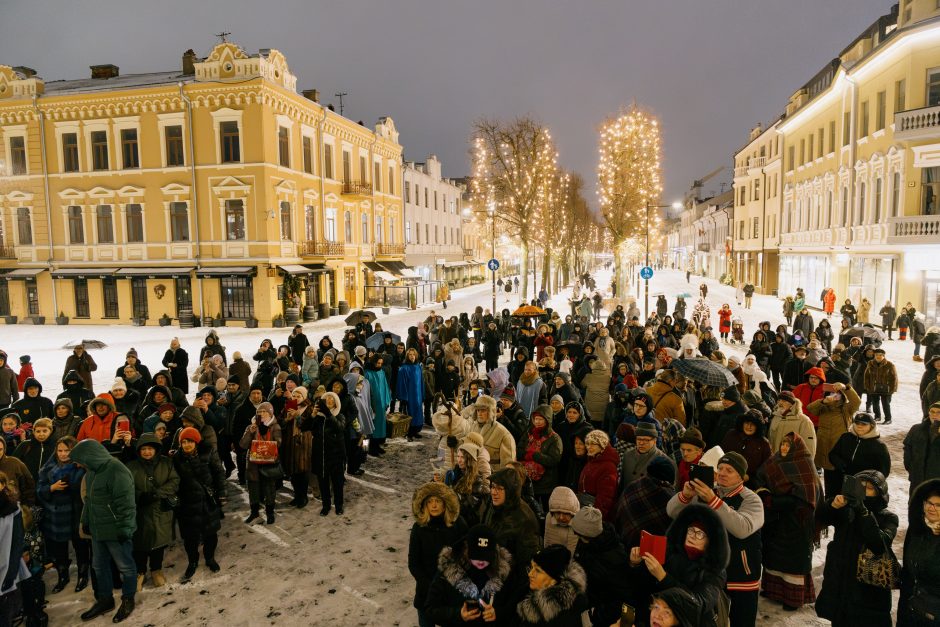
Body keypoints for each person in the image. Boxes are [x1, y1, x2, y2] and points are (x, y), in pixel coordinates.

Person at [668, 451, 764, 627]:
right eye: (719, 468)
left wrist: (714, 501)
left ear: (741, 476)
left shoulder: (752, 499)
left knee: (742, 622)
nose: (722, 473)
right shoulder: (706, 493)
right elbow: (672, 512)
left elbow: (743, 529)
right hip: (710, 572)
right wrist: (686, 495)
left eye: (729, 470)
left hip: (741, 574)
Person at [815, 470, 898, 627]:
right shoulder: (846, 510)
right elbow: (821, 518)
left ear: (880, 492)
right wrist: (832, 506)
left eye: (869, 488)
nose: (863, 491)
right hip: (841, 578)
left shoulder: (888, 517)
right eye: (860, 486)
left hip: (867, 586)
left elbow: (880, 543)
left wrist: (863, 513)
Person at [69, 438, 137, 623]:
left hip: (116, 530)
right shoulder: (91, 472)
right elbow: (90, 501)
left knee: (125, 566)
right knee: (99, 566)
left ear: (89, 456)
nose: (77, 464)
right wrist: (85, 521)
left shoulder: (117, 470)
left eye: (79, 460)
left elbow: (127, 504)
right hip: (98, 531)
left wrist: (125, 528)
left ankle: (128, 598)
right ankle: (105, 599)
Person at [628, 502, 729, 626]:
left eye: (700, 534)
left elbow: (698, 604)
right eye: (691, 530)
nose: (693, 536)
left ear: (710, 541)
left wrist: (664, 578)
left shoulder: (715, 569)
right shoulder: (670, 553)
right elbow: (643, 588)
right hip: (655, 620)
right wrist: (635, 564)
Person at [755, 433, 819, 611]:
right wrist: (764, 492)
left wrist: (773, 501)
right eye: (782, 444)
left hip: (797, 522)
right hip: (776, 520)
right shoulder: (774, 460)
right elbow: (761, 476)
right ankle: (774, 591)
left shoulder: (804, 464)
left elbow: (806, 498)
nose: (783, 448)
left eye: (788, 446)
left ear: (796, 448)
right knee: (774, 555)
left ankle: (792, 597)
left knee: (792, 561)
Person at [423, 525, 513, 626]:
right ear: (466, 549)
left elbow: (513, 609)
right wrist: (458, 614)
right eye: (476, 555)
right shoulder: (448, 570)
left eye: (486, 556)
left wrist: (498, 614)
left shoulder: (504, 574)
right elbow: (430, 610)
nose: (481, 561)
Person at [408, 482, 468, 627]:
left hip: (452, 594)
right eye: (430, 502)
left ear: (445, 503)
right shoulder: (419, 528)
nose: (434, 505)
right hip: (426, 593)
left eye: (437, 501)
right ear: (424, 505)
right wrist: (430, 586)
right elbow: (414, 563)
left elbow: (466, 558)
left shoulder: (458, 524)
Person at [126, 433, 179, 591]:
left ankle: (156, 570)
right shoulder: (131, 466)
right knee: (140, 544)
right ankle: (139, 572)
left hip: (160, 510)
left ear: (156, 449)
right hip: (139, 511)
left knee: (158, 543)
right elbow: (125, 487)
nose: (147, 452)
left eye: (150, 449)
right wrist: (140, 496)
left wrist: (157, 494)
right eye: (144, 449)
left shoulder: (166, 463)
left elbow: (175, 481)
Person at [37, 435, 90, 593]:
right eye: (60, 450)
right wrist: (51, 488)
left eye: (67, 450)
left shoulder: (81, 466)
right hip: (55, 514)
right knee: (59, 547)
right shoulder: (47, 467)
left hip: (75, 511)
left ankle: (82, 574)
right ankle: (62, 575)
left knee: (80, 544)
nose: (63, 454)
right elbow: (39, 489)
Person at [173, 426, 225, 583]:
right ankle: (193, 561)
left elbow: (218, 472)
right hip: (187, 504)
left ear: (196, 442)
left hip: (207, 501)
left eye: (190, 441)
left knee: (210, 533)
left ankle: (210, 558)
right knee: (190, 537)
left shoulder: (208, 452)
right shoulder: (176, 458)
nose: (187, 445)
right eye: (184, 442)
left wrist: (221, 493)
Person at [898, 478, 940, 627]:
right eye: (929, 503)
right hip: (915, 611)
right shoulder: (918, 531)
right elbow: (909, 574)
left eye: (938, 505)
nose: (932, 508)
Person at [514, 544, 589, 626]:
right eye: (531, 567)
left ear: (554, 580)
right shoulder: (528, 588)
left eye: (538, 571)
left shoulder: (561, 617)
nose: (530, 574)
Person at [809, 383, 861, 497]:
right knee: (829, 482)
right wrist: (822, 402)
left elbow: (857, 402)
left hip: (842, 451)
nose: (834, 397)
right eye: (831, 394)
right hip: (826, 449)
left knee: (843, 480)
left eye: (837, 394)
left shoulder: (847, 408)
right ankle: (830, 502)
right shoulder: (823, 408)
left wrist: (847, 388)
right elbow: (810, 408)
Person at [481, 467, 540, 566]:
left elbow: (526, 559)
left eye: (499, 488)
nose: (493, 492)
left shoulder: (524, 518)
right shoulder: (492, 506)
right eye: (493, 487)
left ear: (510, 490)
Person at [240, 401, 281, 524]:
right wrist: (250, 432)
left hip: (268, 464)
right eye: (259, 412)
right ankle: (254, 512)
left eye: (264, 411)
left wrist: (264, 437)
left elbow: (278, 444)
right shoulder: (251, 427)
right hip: (253, 464)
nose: (261, 414)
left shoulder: (275, 427)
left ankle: (270, 513)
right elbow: (243, 445)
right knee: (253, 488)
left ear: (270, 413)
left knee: (269, 489)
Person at [517, 405, 562, 510]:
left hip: (546, 483)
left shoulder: (555, 438)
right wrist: (527, 455)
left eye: (541, 419)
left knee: (547, 509)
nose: (537, 422)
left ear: (548, 420)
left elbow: (554, 460)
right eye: (536, 419)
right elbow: (518, 450)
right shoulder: (528, 434)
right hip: (528, 481)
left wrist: (535, 455)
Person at [312, 393, 346, 516]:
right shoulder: (319, 418)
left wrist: (328, 414)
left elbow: (339, 427)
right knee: (323, 483)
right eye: (326, 398)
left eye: (332, 399)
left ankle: (339, 505)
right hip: (321, 455)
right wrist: (313, 415)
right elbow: (307, 428)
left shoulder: (340, 415)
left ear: (336, 402)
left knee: (337, 483)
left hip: (336, 456)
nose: (329, 400)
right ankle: (325, 506)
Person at [578, 430, 619, 521]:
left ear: (602, 446)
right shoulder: (593, 460)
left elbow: (606, 497)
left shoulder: (608, 466)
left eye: (593, 444)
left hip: (594, 513)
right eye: (587, 444)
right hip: (585, 508)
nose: (589, 447)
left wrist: (596, 517)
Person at [470, 395, 515, 471]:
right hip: (473, 474)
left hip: (493, 476)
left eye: (483, 410)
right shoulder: (473, 427)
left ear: (491, 411)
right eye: (478, 410)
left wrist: (498, 481)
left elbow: (508, 466)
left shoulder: (503, 434)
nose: (479, 414)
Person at [904, 401, 940, 489]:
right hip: (917, 479)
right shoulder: (916, 429)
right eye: (932, 411)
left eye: (939, 412)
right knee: (915, 501)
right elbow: (907, 448)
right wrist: (911, 468)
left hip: (937, 482)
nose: (934, 414)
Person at [864, 348, 897, 424]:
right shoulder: (870, 363)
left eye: (880, 355)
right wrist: (867, 386)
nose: (878, 356)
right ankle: (877, 416)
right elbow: (866, 376)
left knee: (885, 404)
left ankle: (888, 419)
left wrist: (892, 389)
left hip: (886, 388)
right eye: (876, 355)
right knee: (875, 403)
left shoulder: (890, 364)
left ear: (883, 356)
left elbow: (894, 378)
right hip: (873, 387)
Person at [543, 486, 580, 553]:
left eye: (566, 513)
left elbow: (573, 551)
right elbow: (548, 542)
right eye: (558, 512)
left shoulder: (578, 522)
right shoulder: (550, 517)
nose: (561, 517)